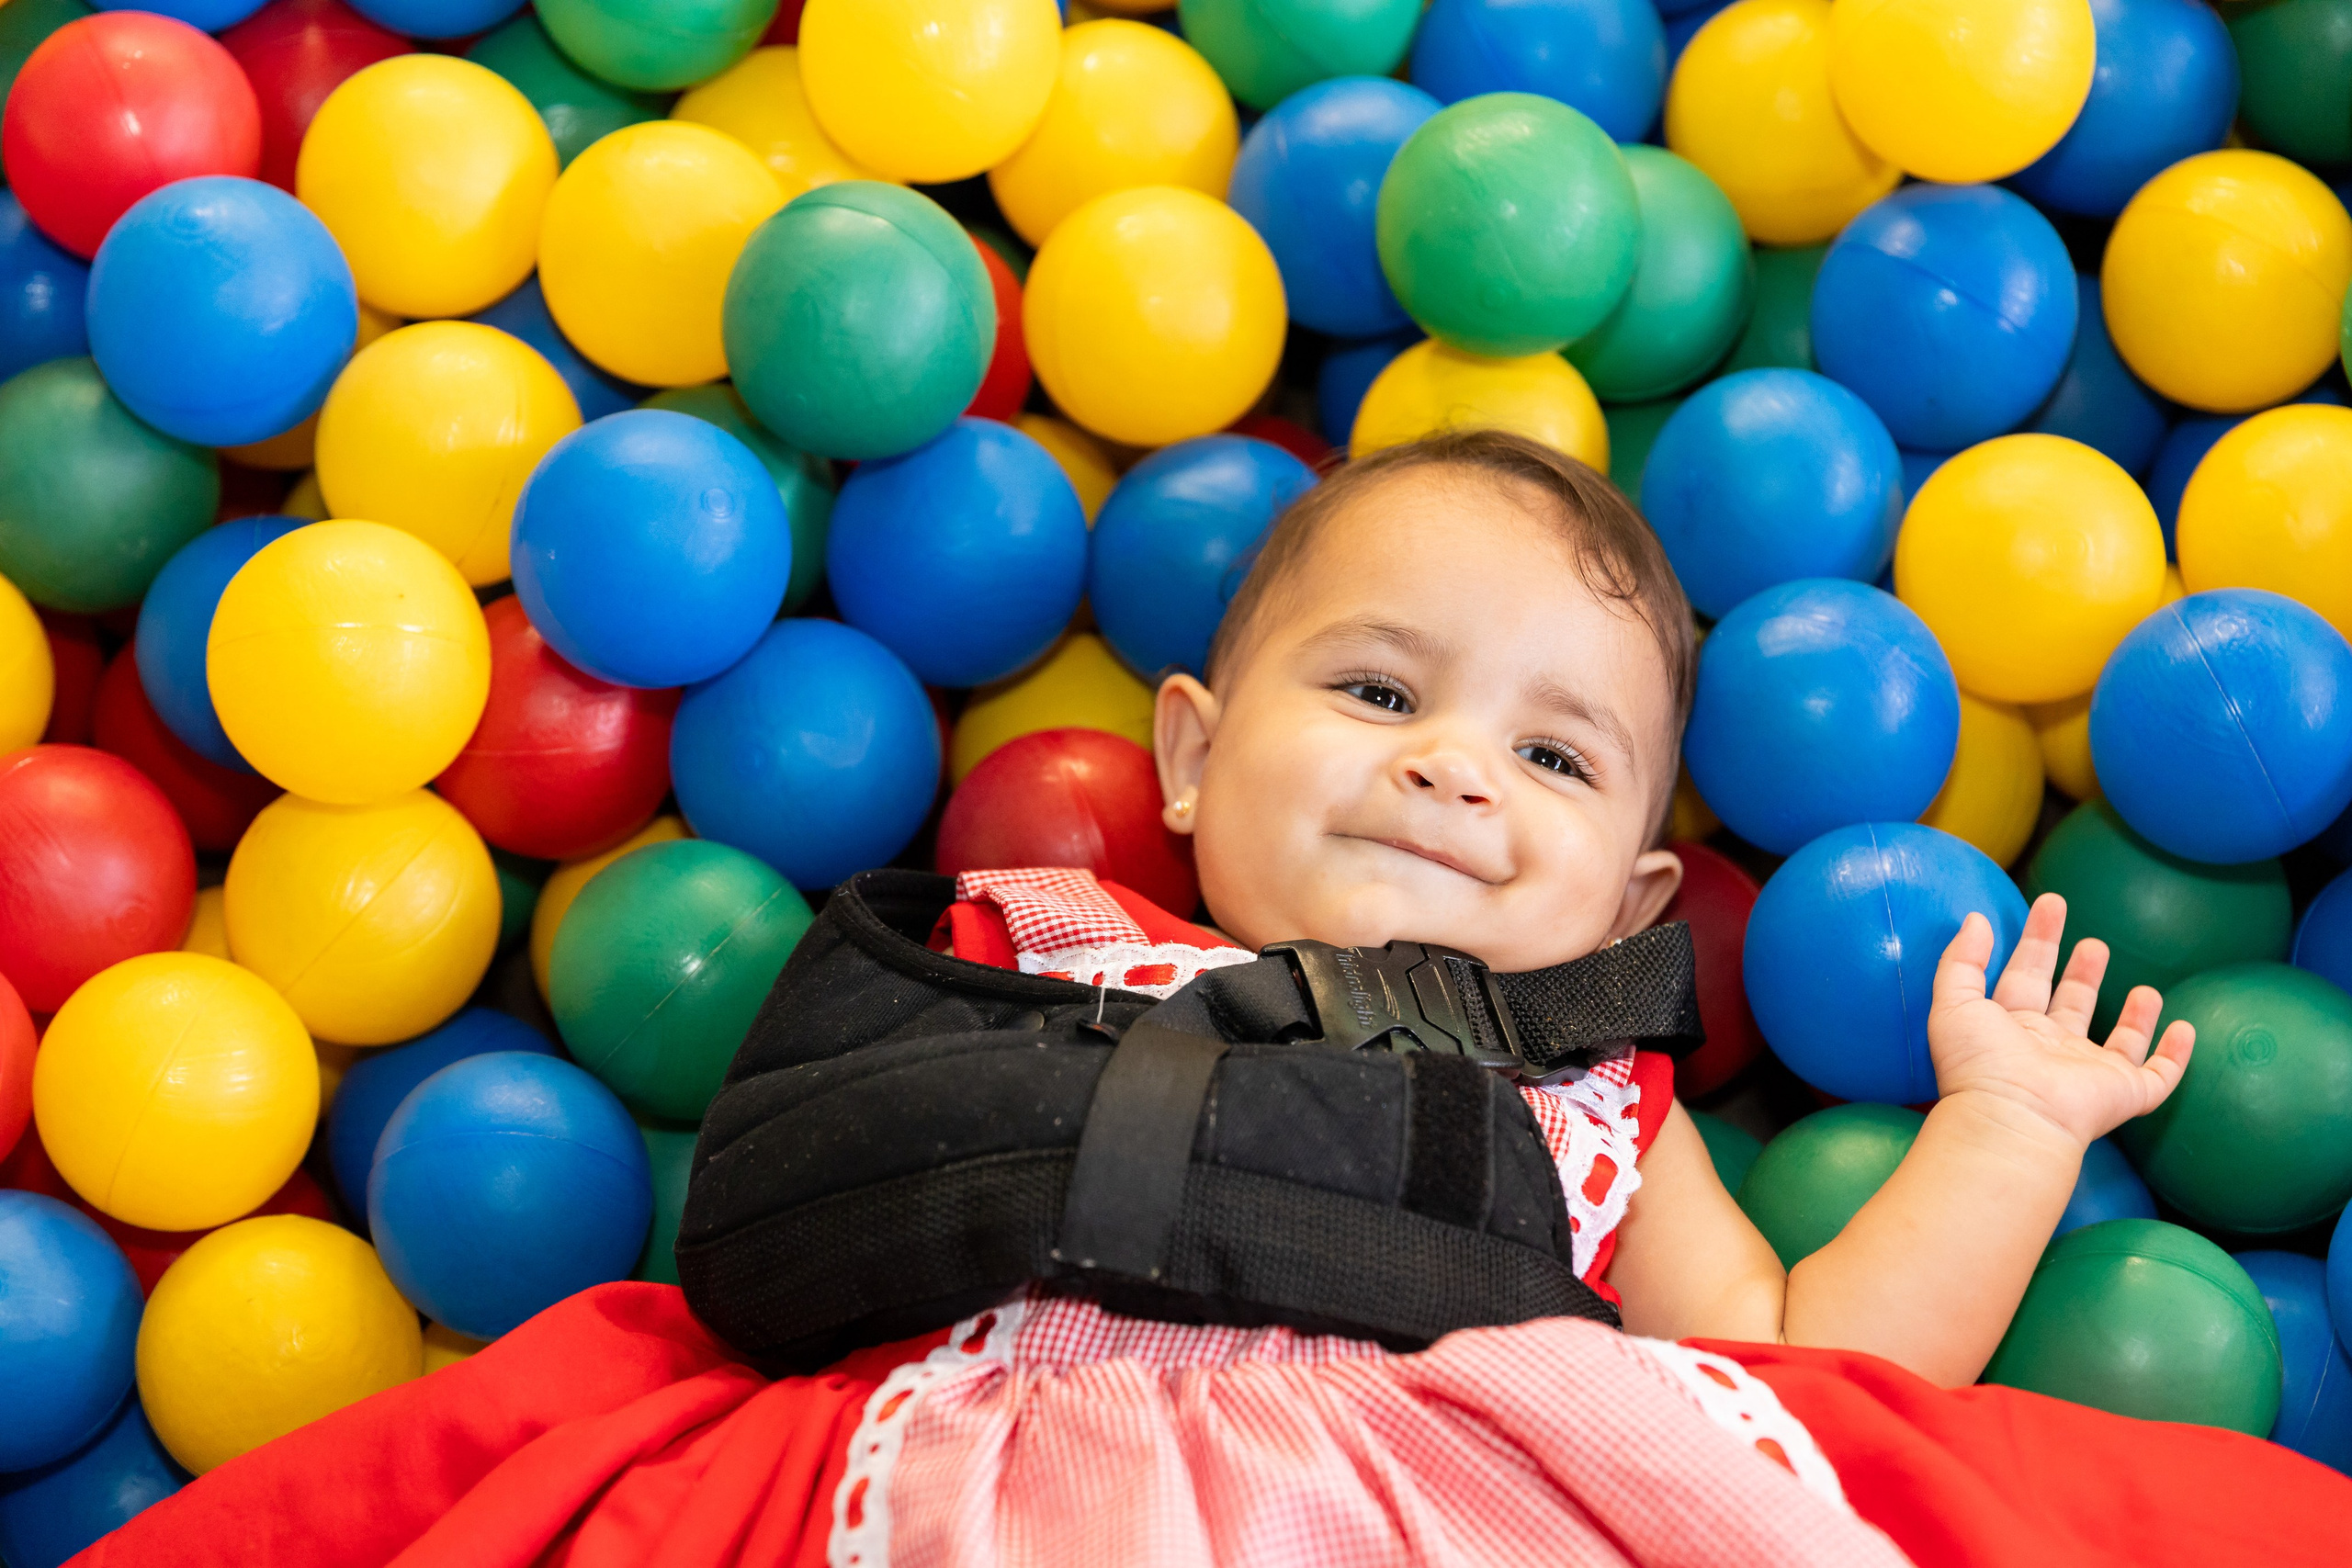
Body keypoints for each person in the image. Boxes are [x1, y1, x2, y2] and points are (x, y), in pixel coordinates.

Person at [74, 432, 2350, 1568]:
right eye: (1374, 687)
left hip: (1430, 1487)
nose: (1453, 762)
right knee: (507, 1457)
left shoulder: (1578, 1078)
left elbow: (1808, 1373)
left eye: (1551, 756)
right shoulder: (1030, 942)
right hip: (948, 1465)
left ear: (1630, 896)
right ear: (1181, 753)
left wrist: (2006, 1128)